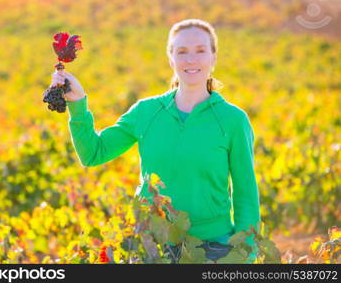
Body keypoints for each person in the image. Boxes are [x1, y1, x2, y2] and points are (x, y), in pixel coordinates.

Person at [50, 18, 261, 264]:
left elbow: (245, 192)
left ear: (213, 58)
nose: (191, 59)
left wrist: (244, 254)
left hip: (214, 248)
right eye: (181, 52)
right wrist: (77, 104)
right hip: (152, 244)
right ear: (170, 58)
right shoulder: (147, 112)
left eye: (200, 51)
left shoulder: (233, 120)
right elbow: (94, 153)